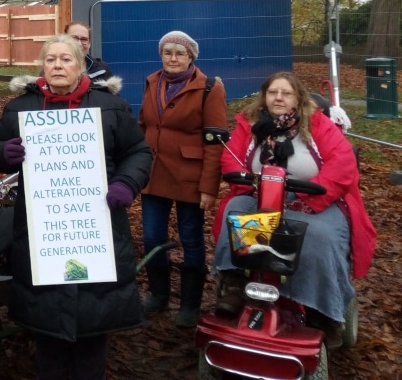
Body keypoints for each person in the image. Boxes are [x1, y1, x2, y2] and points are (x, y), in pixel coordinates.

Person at [0, 34, 152, 380]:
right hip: (43, 234)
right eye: (51, 60)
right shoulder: (21, 107)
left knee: (92, 335)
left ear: (81, 66)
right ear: (42, 67)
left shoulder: (108, 106)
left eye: (66, 59)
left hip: (98, 231)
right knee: (48, 336)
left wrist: (126, 184)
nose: (58, 66)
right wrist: (5, 154)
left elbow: (138, 152)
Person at [211, 71, 376, 348]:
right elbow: (232, 158)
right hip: (260, 193)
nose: (279, 98)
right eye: (273, 92)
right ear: (264, 95)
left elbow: (343, 163)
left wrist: (307, 195)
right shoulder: (249, 124)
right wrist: (246, 182)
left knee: (318, 236)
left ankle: (321, 310)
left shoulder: (318, 125)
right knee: (237, 214)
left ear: (297, 98)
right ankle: (236, 284)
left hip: (313, 198)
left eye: (286, 93)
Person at [138, 30, 226, 328]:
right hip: (154, 173)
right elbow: (142, 125)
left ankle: (189, 304)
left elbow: (215, 141)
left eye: (180, 53)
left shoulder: (208, 88)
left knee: (191, 239)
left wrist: (208, 187)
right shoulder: (152, 82)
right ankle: (159, 294)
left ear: (191, 57)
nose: (173, 58)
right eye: (167, 52)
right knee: (151, 237)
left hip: (190, 175)